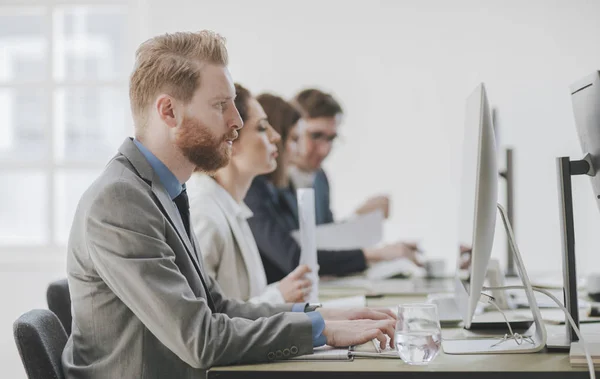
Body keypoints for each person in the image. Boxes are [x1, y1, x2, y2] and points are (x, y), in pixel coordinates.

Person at [61, 31, 396, 378]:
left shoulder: (163, 189)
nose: (236, 120)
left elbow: (216, 307)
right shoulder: (121, 201)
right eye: (221, 105)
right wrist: (321, 331)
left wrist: (316, 316)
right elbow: (201, 339)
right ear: (169, 111)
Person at [245, 94, 421, 284]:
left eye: (331, 139)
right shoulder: (260, 184)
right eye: (315, 136)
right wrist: (377, 254)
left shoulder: (320, 179)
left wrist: (358, 219)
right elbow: (292, 255)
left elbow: (326, 240)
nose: (324, 150)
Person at [187, 83, 311, 304]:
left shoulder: (233, 206)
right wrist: (279, 296)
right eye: (263, 128)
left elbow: (243, 299)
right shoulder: (203, 213)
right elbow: (202, 319)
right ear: (230, 139)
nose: (276, 137)